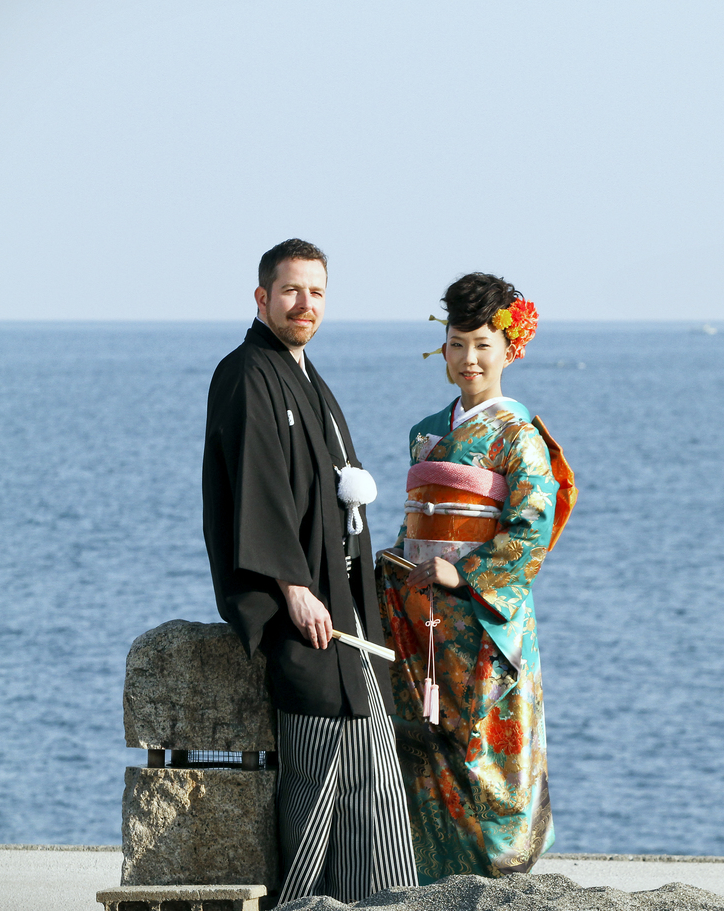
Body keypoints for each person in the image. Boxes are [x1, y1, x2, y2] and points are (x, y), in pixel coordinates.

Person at [202, 238, 418, 903]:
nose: (305, 304)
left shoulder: (305, 376)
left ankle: (375, 898)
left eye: (317, 292)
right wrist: (293, 588)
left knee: (372, 770)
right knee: (321, 771)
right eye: (292, 290)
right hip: (302, 609)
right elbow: (257, 487)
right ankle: (310, 900)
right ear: (262, 297)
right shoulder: (246, 373)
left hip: (343, 607)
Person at [375, 272, 574, 881]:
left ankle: (500, 874)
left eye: (483, 345)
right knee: (423, 737)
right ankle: (434, 874)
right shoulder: (426, 432)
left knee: (487, 745)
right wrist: (397, 560)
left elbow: (530, 527)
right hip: (423, 615)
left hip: (484, 617)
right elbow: (418, 519)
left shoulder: (518, 435)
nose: (469, 359)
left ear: (510, 348)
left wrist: (463, 575)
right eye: (457, 344)